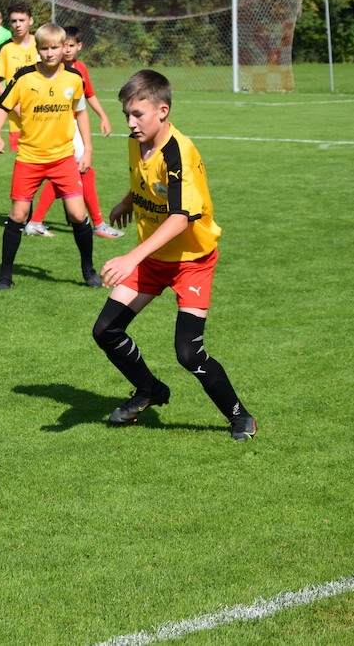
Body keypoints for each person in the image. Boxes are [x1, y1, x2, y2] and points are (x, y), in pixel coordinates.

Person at [92, 70, 257, 441]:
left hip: (191, 261)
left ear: (162, 110)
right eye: (126, 115)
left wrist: (131, 257)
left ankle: (240, 417)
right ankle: (149, 389)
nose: (131, 123)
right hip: (154, 259)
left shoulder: (178, 152)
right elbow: (149, 181)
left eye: (138, 114)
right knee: (106, 330)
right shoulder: (137, 142)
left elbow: (181, 217)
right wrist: (127, 200)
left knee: (188, 353)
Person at [0, 23, 100, 291]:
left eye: (55, 48)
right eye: (45, 48)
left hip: (63, 158)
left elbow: (81, 112)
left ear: (64, 48)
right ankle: (5, 275)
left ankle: (88, 269)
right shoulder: (24, 77)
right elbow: (3, 106)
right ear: (37, 49)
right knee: (18, 214)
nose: (50, 53)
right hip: (29, 158)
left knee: (77, 213)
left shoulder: (74, 78)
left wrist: (87, 148)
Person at [26, 26, 125, 241]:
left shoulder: (80, 68)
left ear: (79, 46)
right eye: (65, 46)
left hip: (74, 128)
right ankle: (97, 224)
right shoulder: (50, 69)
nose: (68, 50)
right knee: (80, 170)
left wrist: (103, 116)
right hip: (61, 128)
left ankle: (37, 221)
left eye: (72, 45)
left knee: (76, 172)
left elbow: (88, 95)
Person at [0, 1, 38, 154]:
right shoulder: (5, 49)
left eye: (22, 20)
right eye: (14, 21)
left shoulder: (42, 45)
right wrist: (17, 107)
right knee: (26, 162)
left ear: (30, 20)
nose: (18, 25)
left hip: (45, 114)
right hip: (18, 121)